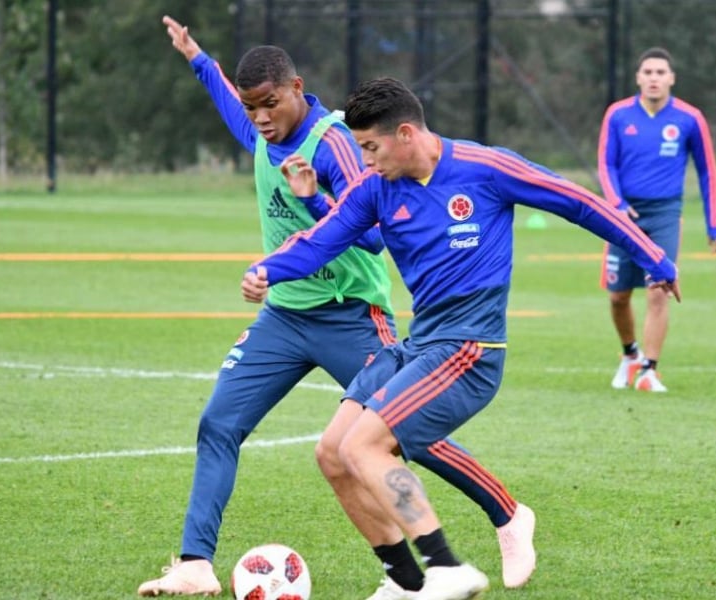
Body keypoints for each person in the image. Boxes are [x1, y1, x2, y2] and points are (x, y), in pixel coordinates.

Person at [138, 18, 536, 599]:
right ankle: (198, 564)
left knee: (398, 433)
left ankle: (504, 513)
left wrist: (313, 198)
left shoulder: (336, 145)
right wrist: (199, 58)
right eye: (252, 109)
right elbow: (231, 103)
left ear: (297, 89)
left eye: (269, 104)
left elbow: (373, 236)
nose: (260, 118)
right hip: (284, 317)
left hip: (352, 315)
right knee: (219, 424)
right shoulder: (259, 132)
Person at [241, 77, 680, 600]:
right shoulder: (374, 187)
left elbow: (578, 202)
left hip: (472, 348)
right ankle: (406, 581)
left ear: (406, 134)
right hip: (421, 342)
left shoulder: (486, 168)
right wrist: (268, 269)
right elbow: (321, 241)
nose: (365, 160)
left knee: (366, 445)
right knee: (334, 453)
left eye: (370, 147)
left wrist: (654, 257)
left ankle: (445, 567)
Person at [597, 46, 716, 393]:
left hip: (666, 213)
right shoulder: (618, 115)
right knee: (618, 296)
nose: (654, 78)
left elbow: (707, 171)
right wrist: (617, 204)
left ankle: (650, 370)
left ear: (671, 78)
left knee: (658, 292)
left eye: (660, 73)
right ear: (638, 78)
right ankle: (630, 354)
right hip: (623, 217)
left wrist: (714, 223)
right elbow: (606, 164)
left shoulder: (689, 118)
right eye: (648, 72)